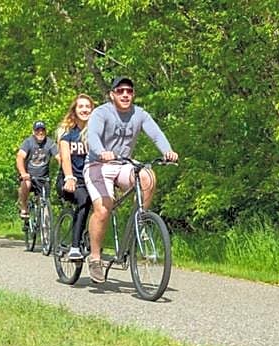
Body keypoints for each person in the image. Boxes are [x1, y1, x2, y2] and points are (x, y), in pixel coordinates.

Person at [84, 77, 179, 283]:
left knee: (148, 176)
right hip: (97, 165)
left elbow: (156, 135)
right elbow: (92, 136)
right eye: (120, 91)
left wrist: (168, 151)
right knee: (103, 208)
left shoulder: (139, 114)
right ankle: (95, 257)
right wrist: (101, 152)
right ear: (112, 94)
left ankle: (141, 222)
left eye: (129, 91)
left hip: (123, 164)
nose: (125, 94)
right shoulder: (101, 113)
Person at [56, 94, 95, 259]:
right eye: (81, 106)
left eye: (88, 107)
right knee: (84, 200)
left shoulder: (96, 134)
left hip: (91, 181)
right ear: (74, 110)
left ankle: (94, 242)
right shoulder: (68, 135)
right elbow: (65, 158)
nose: (85, 109)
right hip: (70, 181)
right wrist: (69, 178)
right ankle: (74, 247)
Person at [16, 120, 59, 218]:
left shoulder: (50, 143)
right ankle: (24, 207)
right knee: (26, 183)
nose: (40, 133)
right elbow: (20, 157)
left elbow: (59, 157)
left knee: (45, 200)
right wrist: (23, 173)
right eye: (37, 130)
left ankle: (45, 225)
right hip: (29, 176)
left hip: (43, 177)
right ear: (33, 132)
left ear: (45, 131)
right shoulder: (28, 142)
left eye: (42, 130)